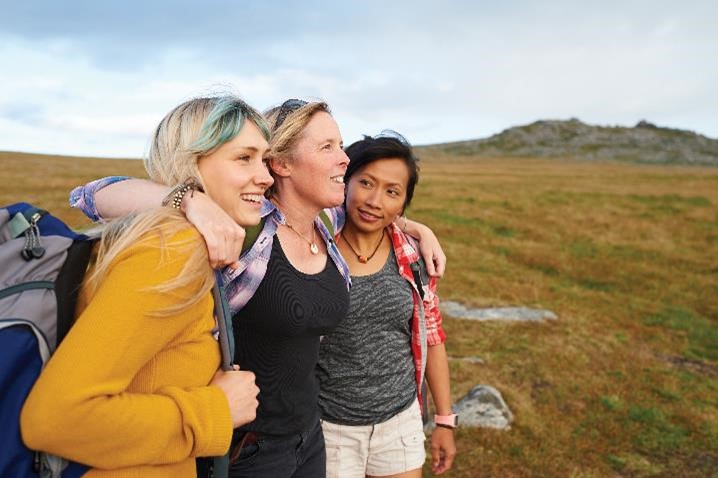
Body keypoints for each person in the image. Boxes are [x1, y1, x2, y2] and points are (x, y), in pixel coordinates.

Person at [69, 99, 446, 478]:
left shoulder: (326, 220)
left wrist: (417, 229)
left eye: (340, 144)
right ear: (281, 164)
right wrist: (190, 200)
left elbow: (374, 211)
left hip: (309, 435)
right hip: (247, 449)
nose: (345, 158)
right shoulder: (244, 228)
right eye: (327, 146)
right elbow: (91, 195)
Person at [20, 94, 267, 476]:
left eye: (264, 159)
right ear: (192, 161)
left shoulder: (180, 241)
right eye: (244, 158)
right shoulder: (170, 250)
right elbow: (55, 418)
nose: (265, 176)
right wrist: (215, 410)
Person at [317, 131, 457, 478]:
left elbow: (433, 336)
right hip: (329, 427)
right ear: (345, 182)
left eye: (392, 191)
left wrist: (444, 420)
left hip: (400, 421)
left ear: (403, 203)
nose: (375, 201)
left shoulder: (412, 256)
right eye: (366, 182)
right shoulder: (313, 248)